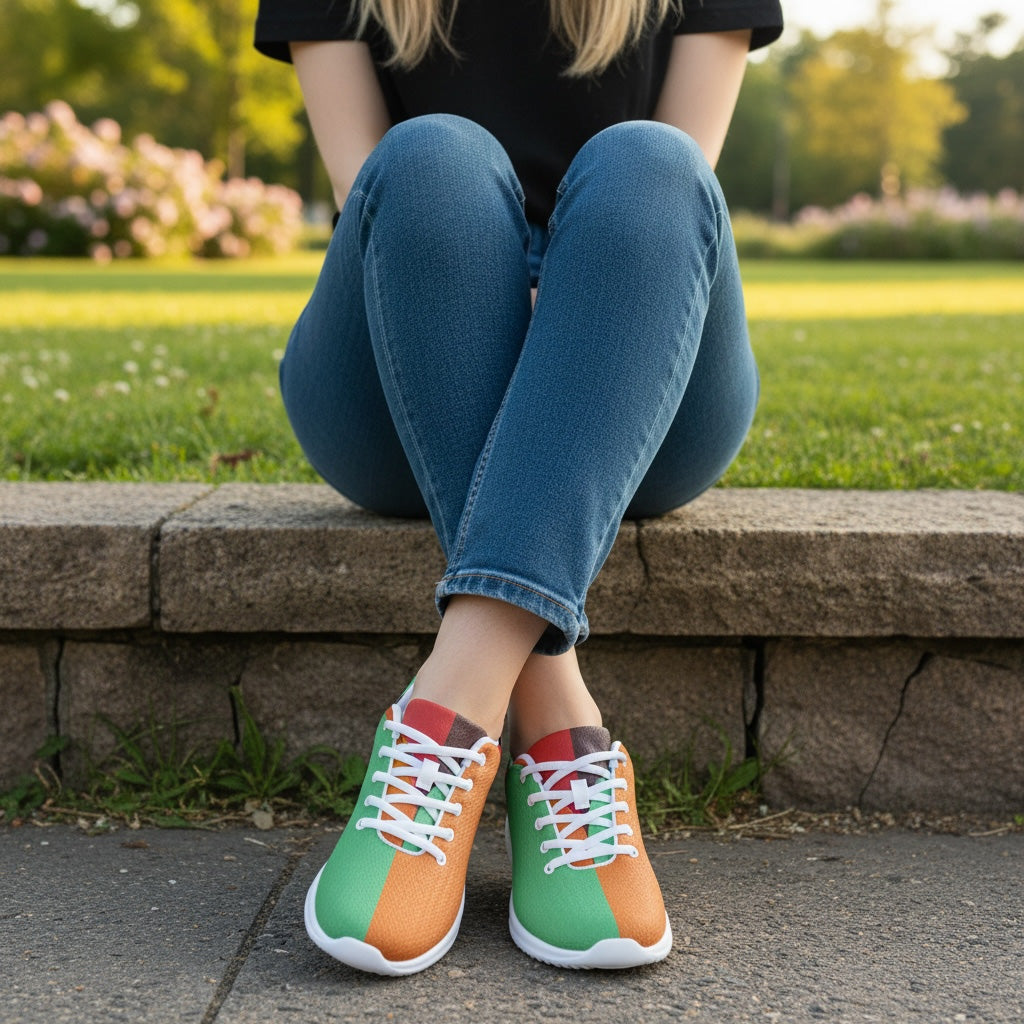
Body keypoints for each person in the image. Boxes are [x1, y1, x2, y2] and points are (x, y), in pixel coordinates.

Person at [255, 0, 783, 976]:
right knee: (428, 158)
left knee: (651, 164)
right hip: (402, 352)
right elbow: (362, 184)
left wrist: (563, 332)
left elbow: (682, 187)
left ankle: (445, 719)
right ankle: (559, 725)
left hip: (632, 362)